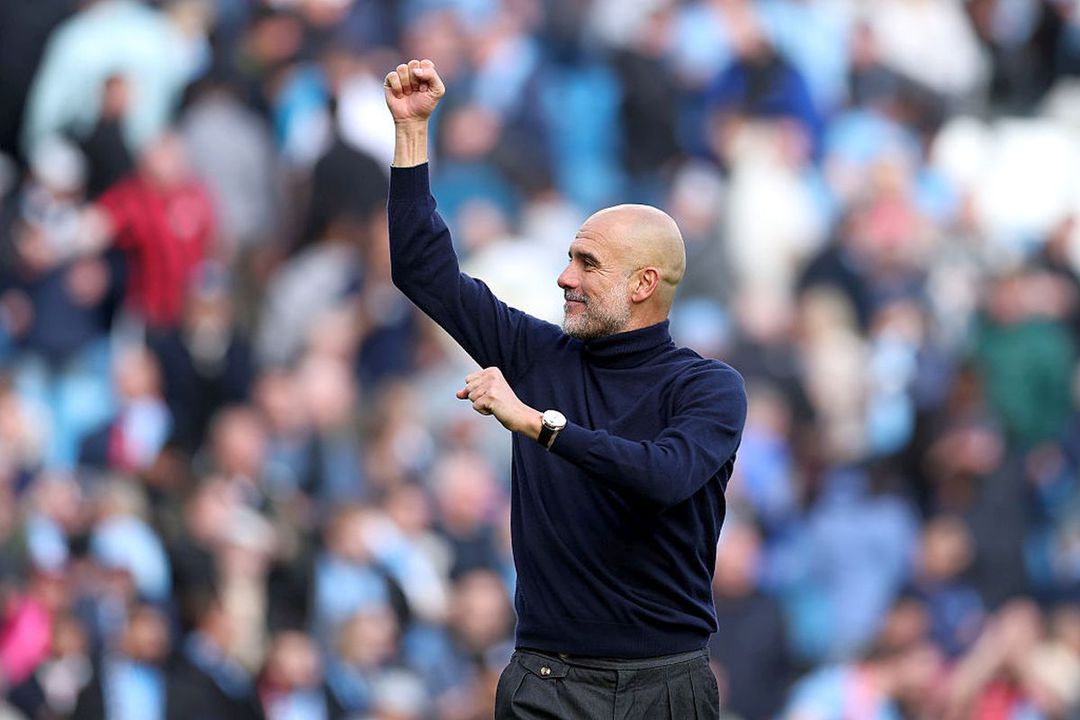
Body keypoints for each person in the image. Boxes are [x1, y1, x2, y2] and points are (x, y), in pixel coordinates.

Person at [384, 59, 747, 718]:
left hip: (666, 687)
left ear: (642, 284)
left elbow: (662, 476)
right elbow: (421, 271)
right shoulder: (537, 353)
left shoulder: (707, 387)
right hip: (547, 683)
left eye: (587, 263)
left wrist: (537, 424)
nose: (564, 278)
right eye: (568, 258)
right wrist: (412, 132)